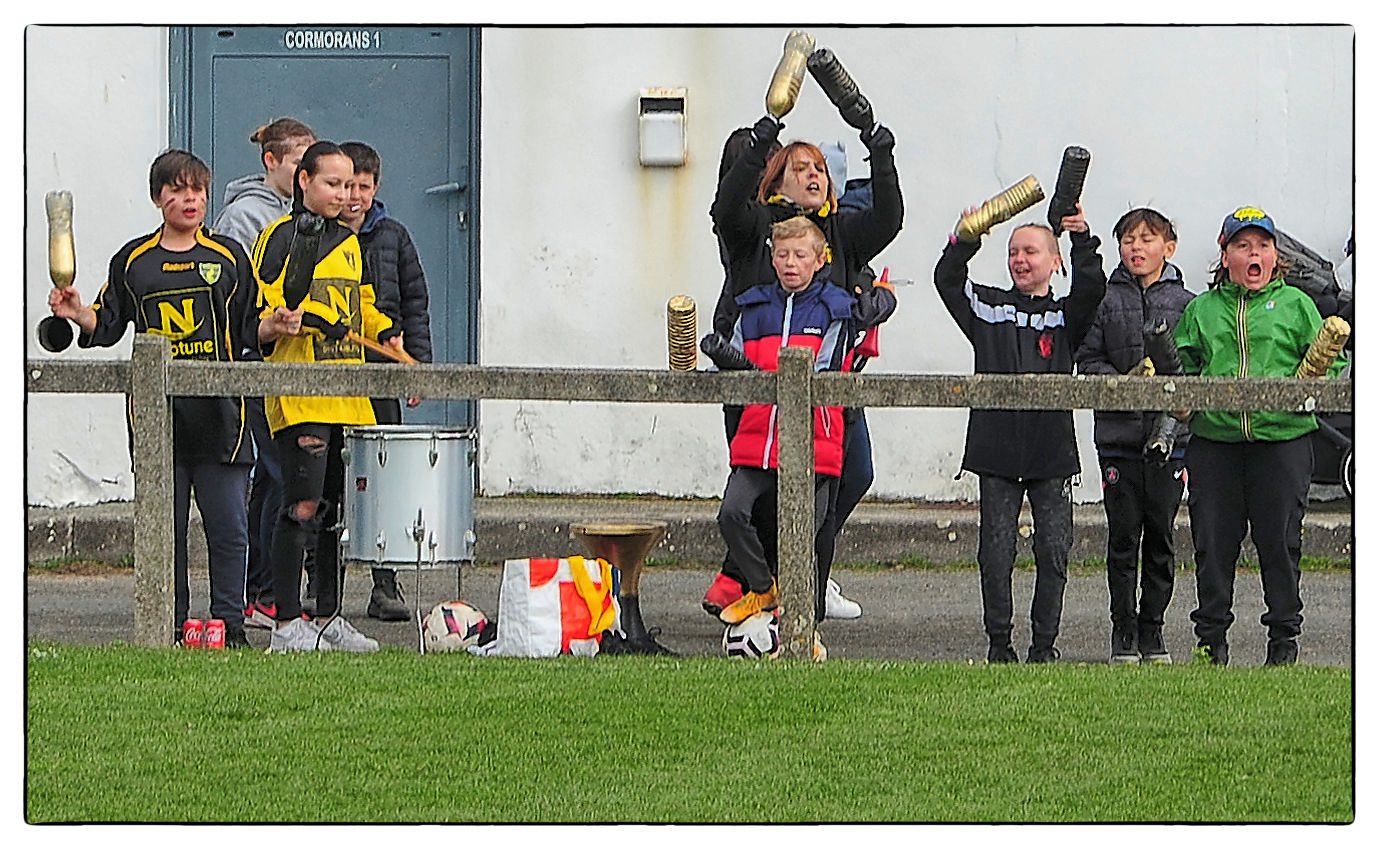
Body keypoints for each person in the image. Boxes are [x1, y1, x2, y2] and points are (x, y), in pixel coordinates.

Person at [48, 149, 259, 648]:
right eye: (178, 190)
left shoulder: (229, 257)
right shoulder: (133, 261)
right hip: (158, 423)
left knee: (229, 530)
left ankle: (230, 625)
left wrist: (277, 326)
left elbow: (250, 330)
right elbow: (108, 324)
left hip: (224, 419)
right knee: (167, 533)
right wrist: (78, 313)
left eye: (198, 191)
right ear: (157, 198)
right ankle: (169, 623)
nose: (190, 199)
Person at [703, 107, 901, 623]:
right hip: (756, 380)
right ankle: (763, 594)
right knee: (761, 496)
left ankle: (802, 594)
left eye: (818, 168)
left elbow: (889, 218)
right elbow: (726, 208)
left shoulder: (842, 229)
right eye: (800, 169)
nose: (814, 175)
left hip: (831, 389)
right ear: (777, 182)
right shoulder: (756, 229)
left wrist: (879, 149)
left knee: (850, 478)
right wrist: (766, 133)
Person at [933, 203, 1107, 663]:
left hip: (1052, 453)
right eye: (1013, 252)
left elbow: (1093, 286)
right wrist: (968, 234)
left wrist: (1081, 236)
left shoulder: (1067, 316)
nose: (1020, 260)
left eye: (1031, 251)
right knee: (996, 552)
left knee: (1053, 550)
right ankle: (999, 645)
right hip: (995, 450)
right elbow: (947, 280)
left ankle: (1044, 646)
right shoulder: (987, 308)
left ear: (1055, 262)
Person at [1174, 207, 1345, 667]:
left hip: (1283, 442)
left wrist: (1316, 382)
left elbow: (1337, 366)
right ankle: (1212, 642)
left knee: (1281, 542)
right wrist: (1175, 394)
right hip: (1215, 444)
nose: (1254, 254)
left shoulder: (1298, 306)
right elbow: (1180, 368)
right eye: (1243, 245)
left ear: (1276, 256)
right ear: (1225, 253)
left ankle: (1283, 643)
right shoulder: (1202, 309)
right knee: (1212, 544)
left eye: (1263, 246)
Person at [253, 140, 405, 653]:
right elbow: (266, 304)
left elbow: (361, 303)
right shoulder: (278, 236)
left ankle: (328, 617)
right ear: (304, 181)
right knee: (301, 507)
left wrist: (386, 333)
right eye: (332, 184)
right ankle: (287, 623)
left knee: (335, 514)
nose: (343, 195)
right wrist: (281, 321)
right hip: (301, 394)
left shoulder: (350, 241)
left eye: (349, 185)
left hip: (348, 392)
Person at [714, 216, 854, 660]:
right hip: (758, 439)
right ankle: (762, 589)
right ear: (772, 258)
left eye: (800, 255)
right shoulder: (752, 308)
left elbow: (825, 372)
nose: (790, 263)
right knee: (731, 514)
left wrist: (765, 376)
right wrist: (725, 364)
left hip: (815, 445)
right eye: (782, 254)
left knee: (804, 542)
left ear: (819, 260)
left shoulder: (836, 308)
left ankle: (804, 631)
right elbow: (731, 370)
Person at [1074, 208, 1194, 664]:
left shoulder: (1187, 303)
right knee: (1123, 539)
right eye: (1128, 239)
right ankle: (1122, 630)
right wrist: (1122, 381)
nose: (1137, 247)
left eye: (1147, 238)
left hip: (1170, 441)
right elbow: (1088, 359)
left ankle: (1153, 630)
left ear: (1169, 247)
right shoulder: (1107, 301)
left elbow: (1195, 366)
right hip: (1119, 441)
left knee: (1161, 537)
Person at [211, 117, 318, 628]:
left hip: (298, 367)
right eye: (298, 162)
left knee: (283, 478)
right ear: (271, 161)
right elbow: (237, 294)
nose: (304, 174)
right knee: (274, 475)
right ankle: (262, 591)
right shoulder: (245, 218)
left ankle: (270, 590)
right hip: (259, 364)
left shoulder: (304, 218)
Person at [339, 140, 434, 621]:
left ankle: (385, 583)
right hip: (334, 372)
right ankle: (323, 585)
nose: (354, 196)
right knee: (332, 478)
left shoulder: (393, 236)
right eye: (346, 185)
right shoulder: (323, 236)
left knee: (382, 477)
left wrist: (417, 364)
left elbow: (415, 302)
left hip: (382, 372)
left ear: (376, 187)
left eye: (363, 186)